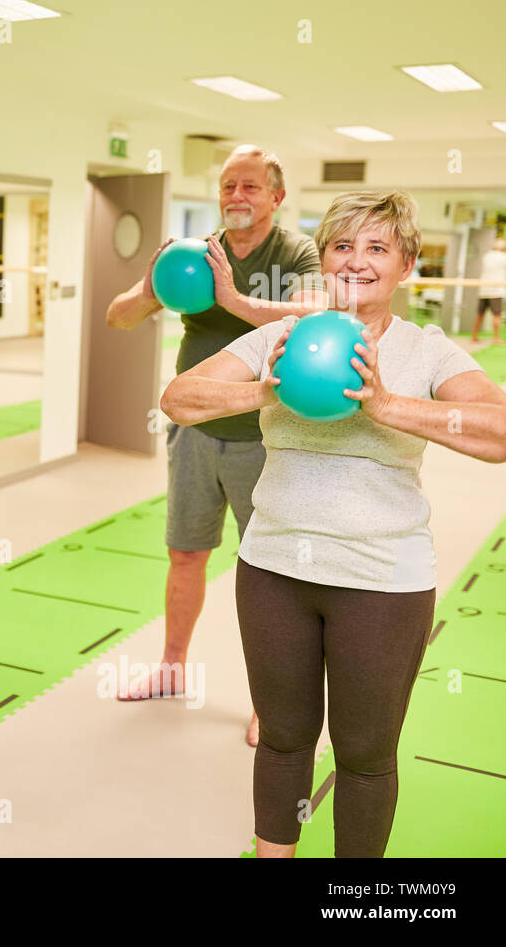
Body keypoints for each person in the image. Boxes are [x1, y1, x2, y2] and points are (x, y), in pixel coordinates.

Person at [161, 190, 506, 857]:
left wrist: (386, 405)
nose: (356, 261)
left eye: (377, 248)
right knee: (285, 740)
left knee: (365, 755)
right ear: (323, 259)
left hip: (384, 580)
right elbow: (179, 398)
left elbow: (498, 432)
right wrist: (267, 387)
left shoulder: (428, 351)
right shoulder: (280, 338)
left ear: (406, 263)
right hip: (274, 570)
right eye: (343, 246)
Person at [106, 145, 329, 746]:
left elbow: (314, 317)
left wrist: (233, 299)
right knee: (186, 553)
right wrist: (152, 289)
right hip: (195, 431)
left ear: (276, 198)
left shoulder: (297, 252)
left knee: (269, 572)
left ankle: (269, 701)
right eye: (228, 185)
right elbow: (118, 317)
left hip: (267, 435)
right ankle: (171, 669)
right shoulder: (195, 254)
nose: (236, 196)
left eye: (250, 186)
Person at [470, 237, 506, 345]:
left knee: (479, 314)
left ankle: (474, 335)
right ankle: (495, 338)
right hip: (496, 290)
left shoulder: (487, 256)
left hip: (484, 289)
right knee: (497, 315)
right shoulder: (503, 257)